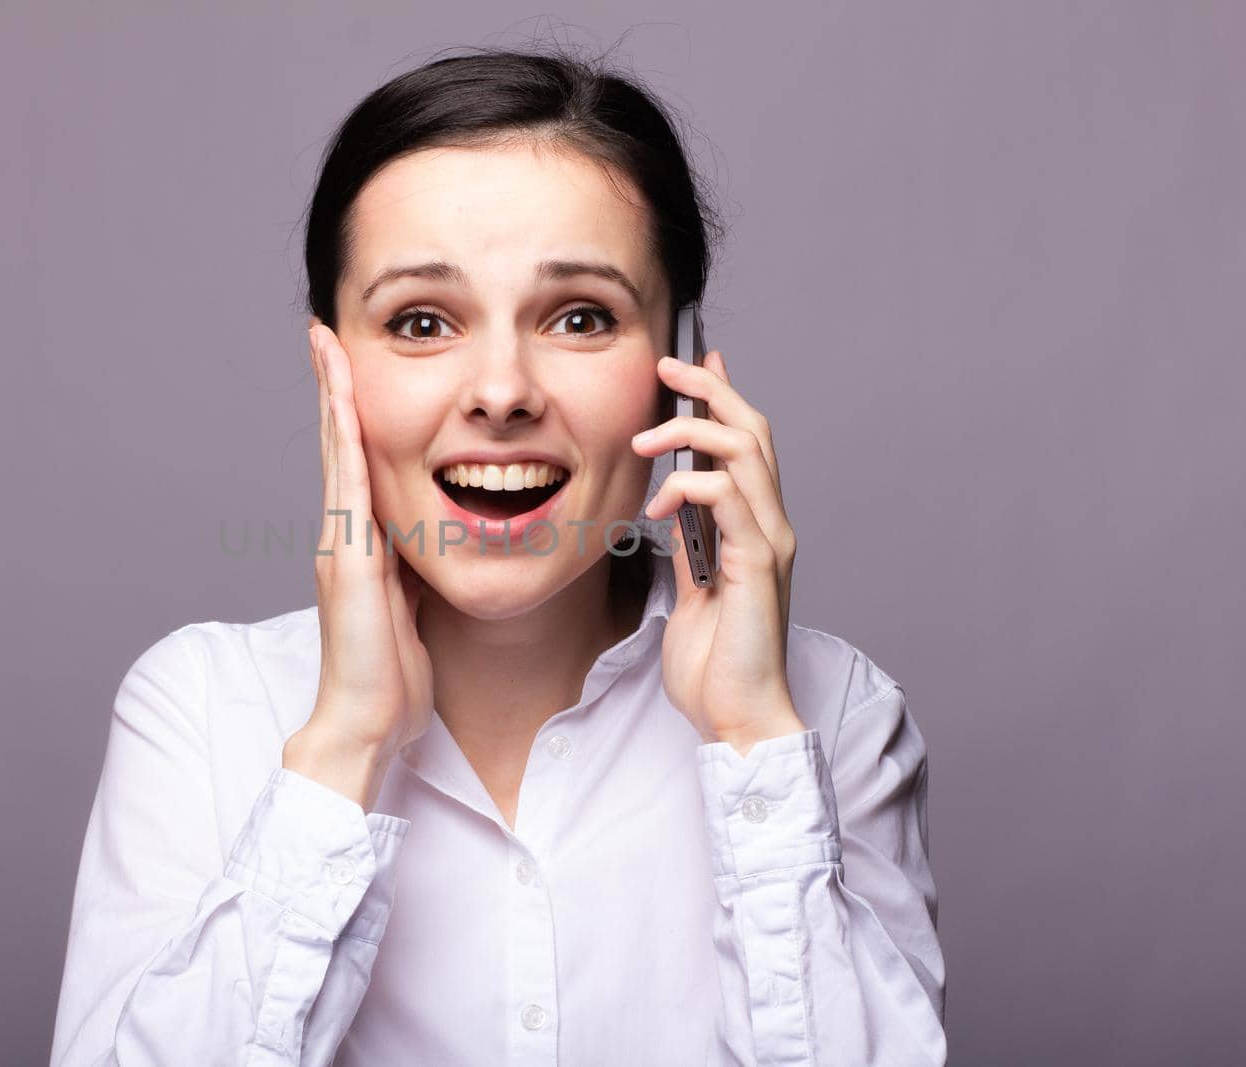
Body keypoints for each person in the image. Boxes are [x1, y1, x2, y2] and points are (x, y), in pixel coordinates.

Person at [49, 45, 947, 1067]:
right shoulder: (201, 710)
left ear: (681, 370)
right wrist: (344, 746)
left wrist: (752, 740)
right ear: (330, 366)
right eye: (422, 322)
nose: (501, 390)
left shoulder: (831, 715)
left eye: (580, 317)